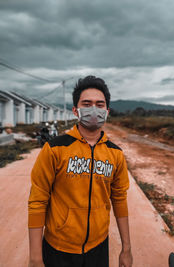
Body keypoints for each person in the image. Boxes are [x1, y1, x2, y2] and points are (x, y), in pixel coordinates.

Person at [28, 75, 133, 267]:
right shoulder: (54, 149)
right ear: (76, 110)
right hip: (58, 249)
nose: (94, 109)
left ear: (107, 111)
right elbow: (38, 200)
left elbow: (119, 199)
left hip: (98, 247)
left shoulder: (115, 154)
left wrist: (126, 248)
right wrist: (35, 257)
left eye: (100, 104)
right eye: (87, 103)